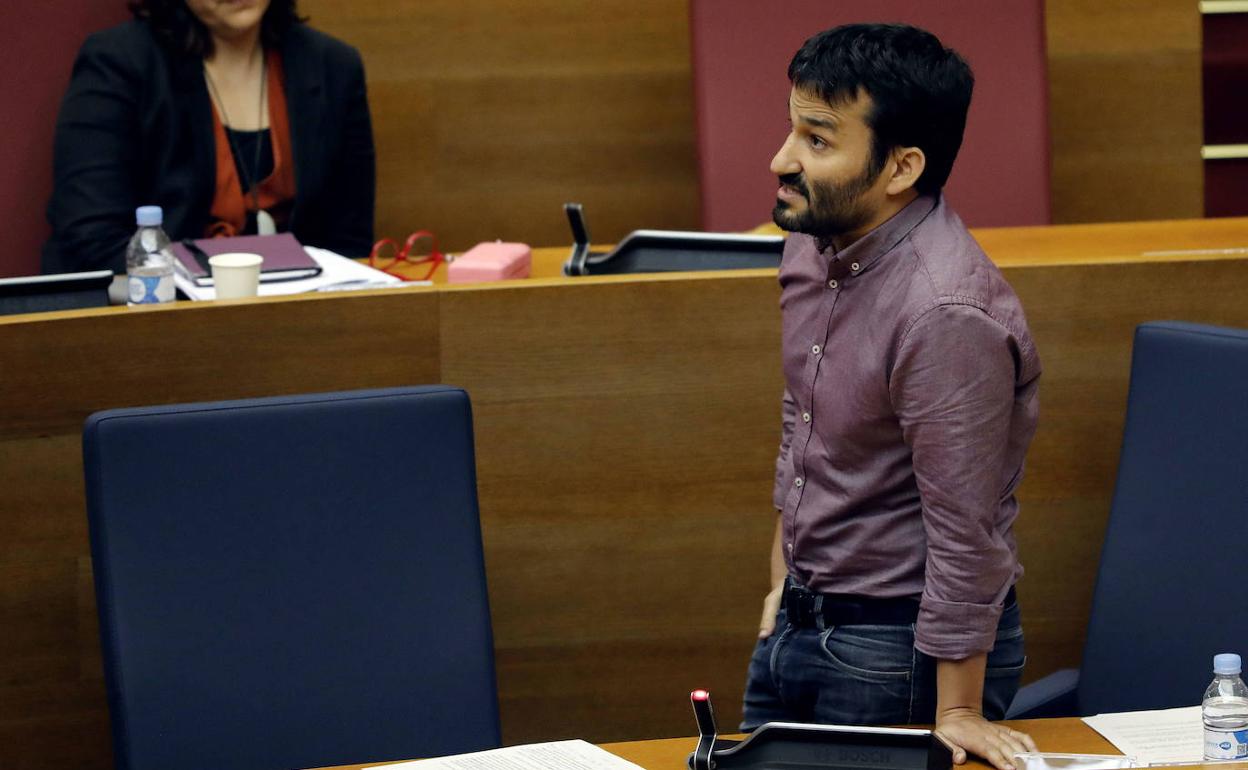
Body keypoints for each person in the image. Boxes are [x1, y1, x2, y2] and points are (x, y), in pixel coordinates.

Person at [742, 23, 1042, 770]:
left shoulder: (945, 315)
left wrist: (959, 710)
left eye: (817, 140)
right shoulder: (815, 245)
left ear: (901, 166)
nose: (781, 159)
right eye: (792, 127)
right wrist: (783, 585)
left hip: (900, 654)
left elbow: (965, 525)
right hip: (801, 619)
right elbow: (802, 421)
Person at [42, 0, 375, 274]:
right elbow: (91, 238)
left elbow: (349, 241)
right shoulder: (118, 62)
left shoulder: (333, 66)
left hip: (297, 317)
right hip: (156, 313)